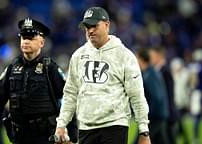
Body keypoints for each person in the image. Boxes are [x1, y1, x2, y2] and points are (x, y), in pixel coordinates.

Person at [55, 7, 151, 144]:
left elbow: (136, 95)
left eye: (94, 25)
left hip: (114, 126)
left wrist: (144, 131)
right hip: (85, 127)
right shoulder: (78, 56)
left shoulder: (124, 56)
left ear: (107, 25)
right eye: (87, 27)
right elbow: (70, 93)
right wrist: (61, 124)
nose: (90, 30)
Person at [0, 18, 77, 144]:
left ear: (42, 43)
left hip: (46, 137)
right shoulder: (12, 68)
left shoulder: (50, 68)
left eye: (31, 38)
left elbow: (68, 99)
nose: (26, 41)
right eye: (23, 38)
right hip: (19, 137)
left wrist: (72, 134)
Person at [136, 48, 169, 144]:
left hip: (155, 116)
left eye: (136, 58)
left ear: (141, 59)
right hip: (158, 114)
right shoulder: (148, 73)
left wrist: (147, 113)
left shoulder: (150, 75)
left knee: (140, 140)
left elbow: (157, 96)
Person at [149, 46, 179, 144]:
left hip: (167, 113)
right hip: (163, 113)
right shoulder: (158, 71)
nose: (150, 59)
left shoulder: (165, 71)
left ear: (159, 56)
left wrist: (166, 112)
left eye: (152, 56)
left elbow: (168, 95)